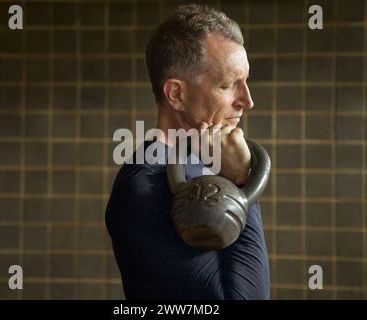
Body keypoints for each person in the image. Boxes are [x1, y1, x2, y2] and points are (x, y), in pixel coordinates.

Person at [105, 4, 270, 300]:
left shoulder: (206, 164)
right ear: (177, 94)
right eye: (229, 85)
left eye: (245, 81)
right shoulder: (145, 188)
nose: (247, 100)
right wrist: (242, 182)